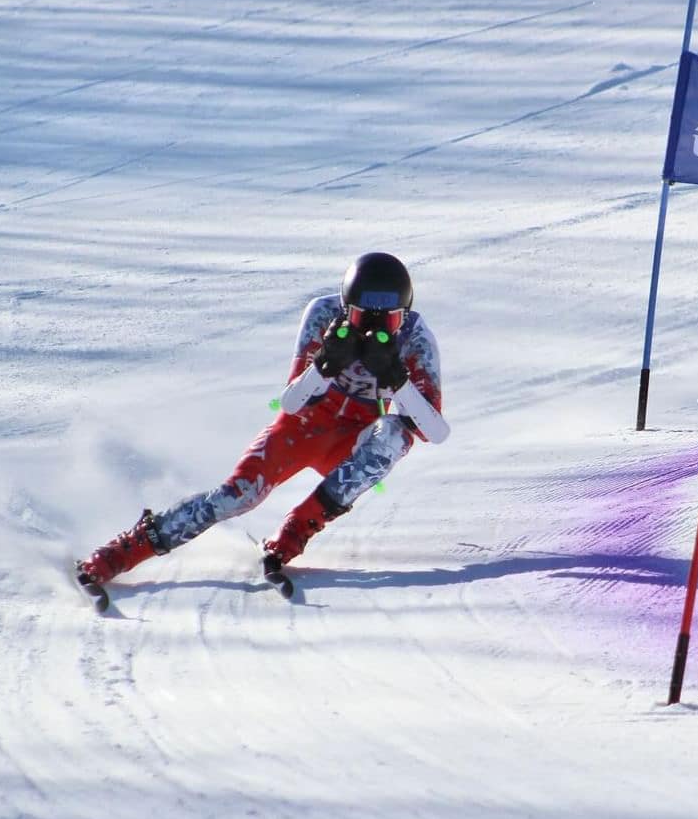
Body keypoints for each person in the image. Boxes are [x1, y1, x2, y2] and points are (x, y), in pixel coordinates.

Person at [75, 252, 449, 591]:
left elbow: (435, 431)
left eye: (390, 320)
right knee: (238, 495)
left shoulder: (415, 337)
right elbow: (291, 401)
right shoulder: (322, 315)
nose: (375, 330)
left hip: (352, 443)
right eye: (360, 317)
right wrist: (325, 365)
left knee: (395, 436)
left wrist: (396, 379)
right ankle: (126, 549)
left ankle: (296, 529)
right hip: (302, 426)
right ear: (343, 306)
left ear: (407, 312)